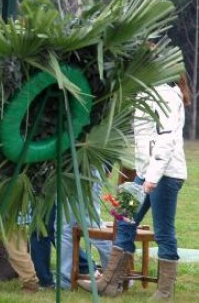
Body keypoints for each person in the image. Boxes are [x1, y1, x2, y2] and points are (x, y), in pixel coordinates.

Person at [78, 73, 190, 299]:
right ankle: (109, 283)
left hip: (164, 174)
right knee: (124, 220)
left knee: (163, 232)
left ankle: (165, 291)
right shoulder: (146, 92)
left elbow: (166, 140)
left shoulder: (168, 95)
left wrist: (152, 177)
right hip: (145, 172)